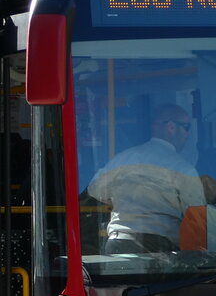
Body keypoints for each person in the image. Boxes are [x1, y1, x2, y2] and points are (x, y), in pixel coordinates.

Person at [86, 104, 206, 254]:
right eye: (187, 127)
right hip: (158, 247)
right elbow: (196, 214)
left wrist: (120, 200)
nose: (188, 134)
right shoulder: (182, 168)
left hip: (118, 243)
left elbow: (94, 189)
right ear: (171, 127)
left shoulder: (123, 159)